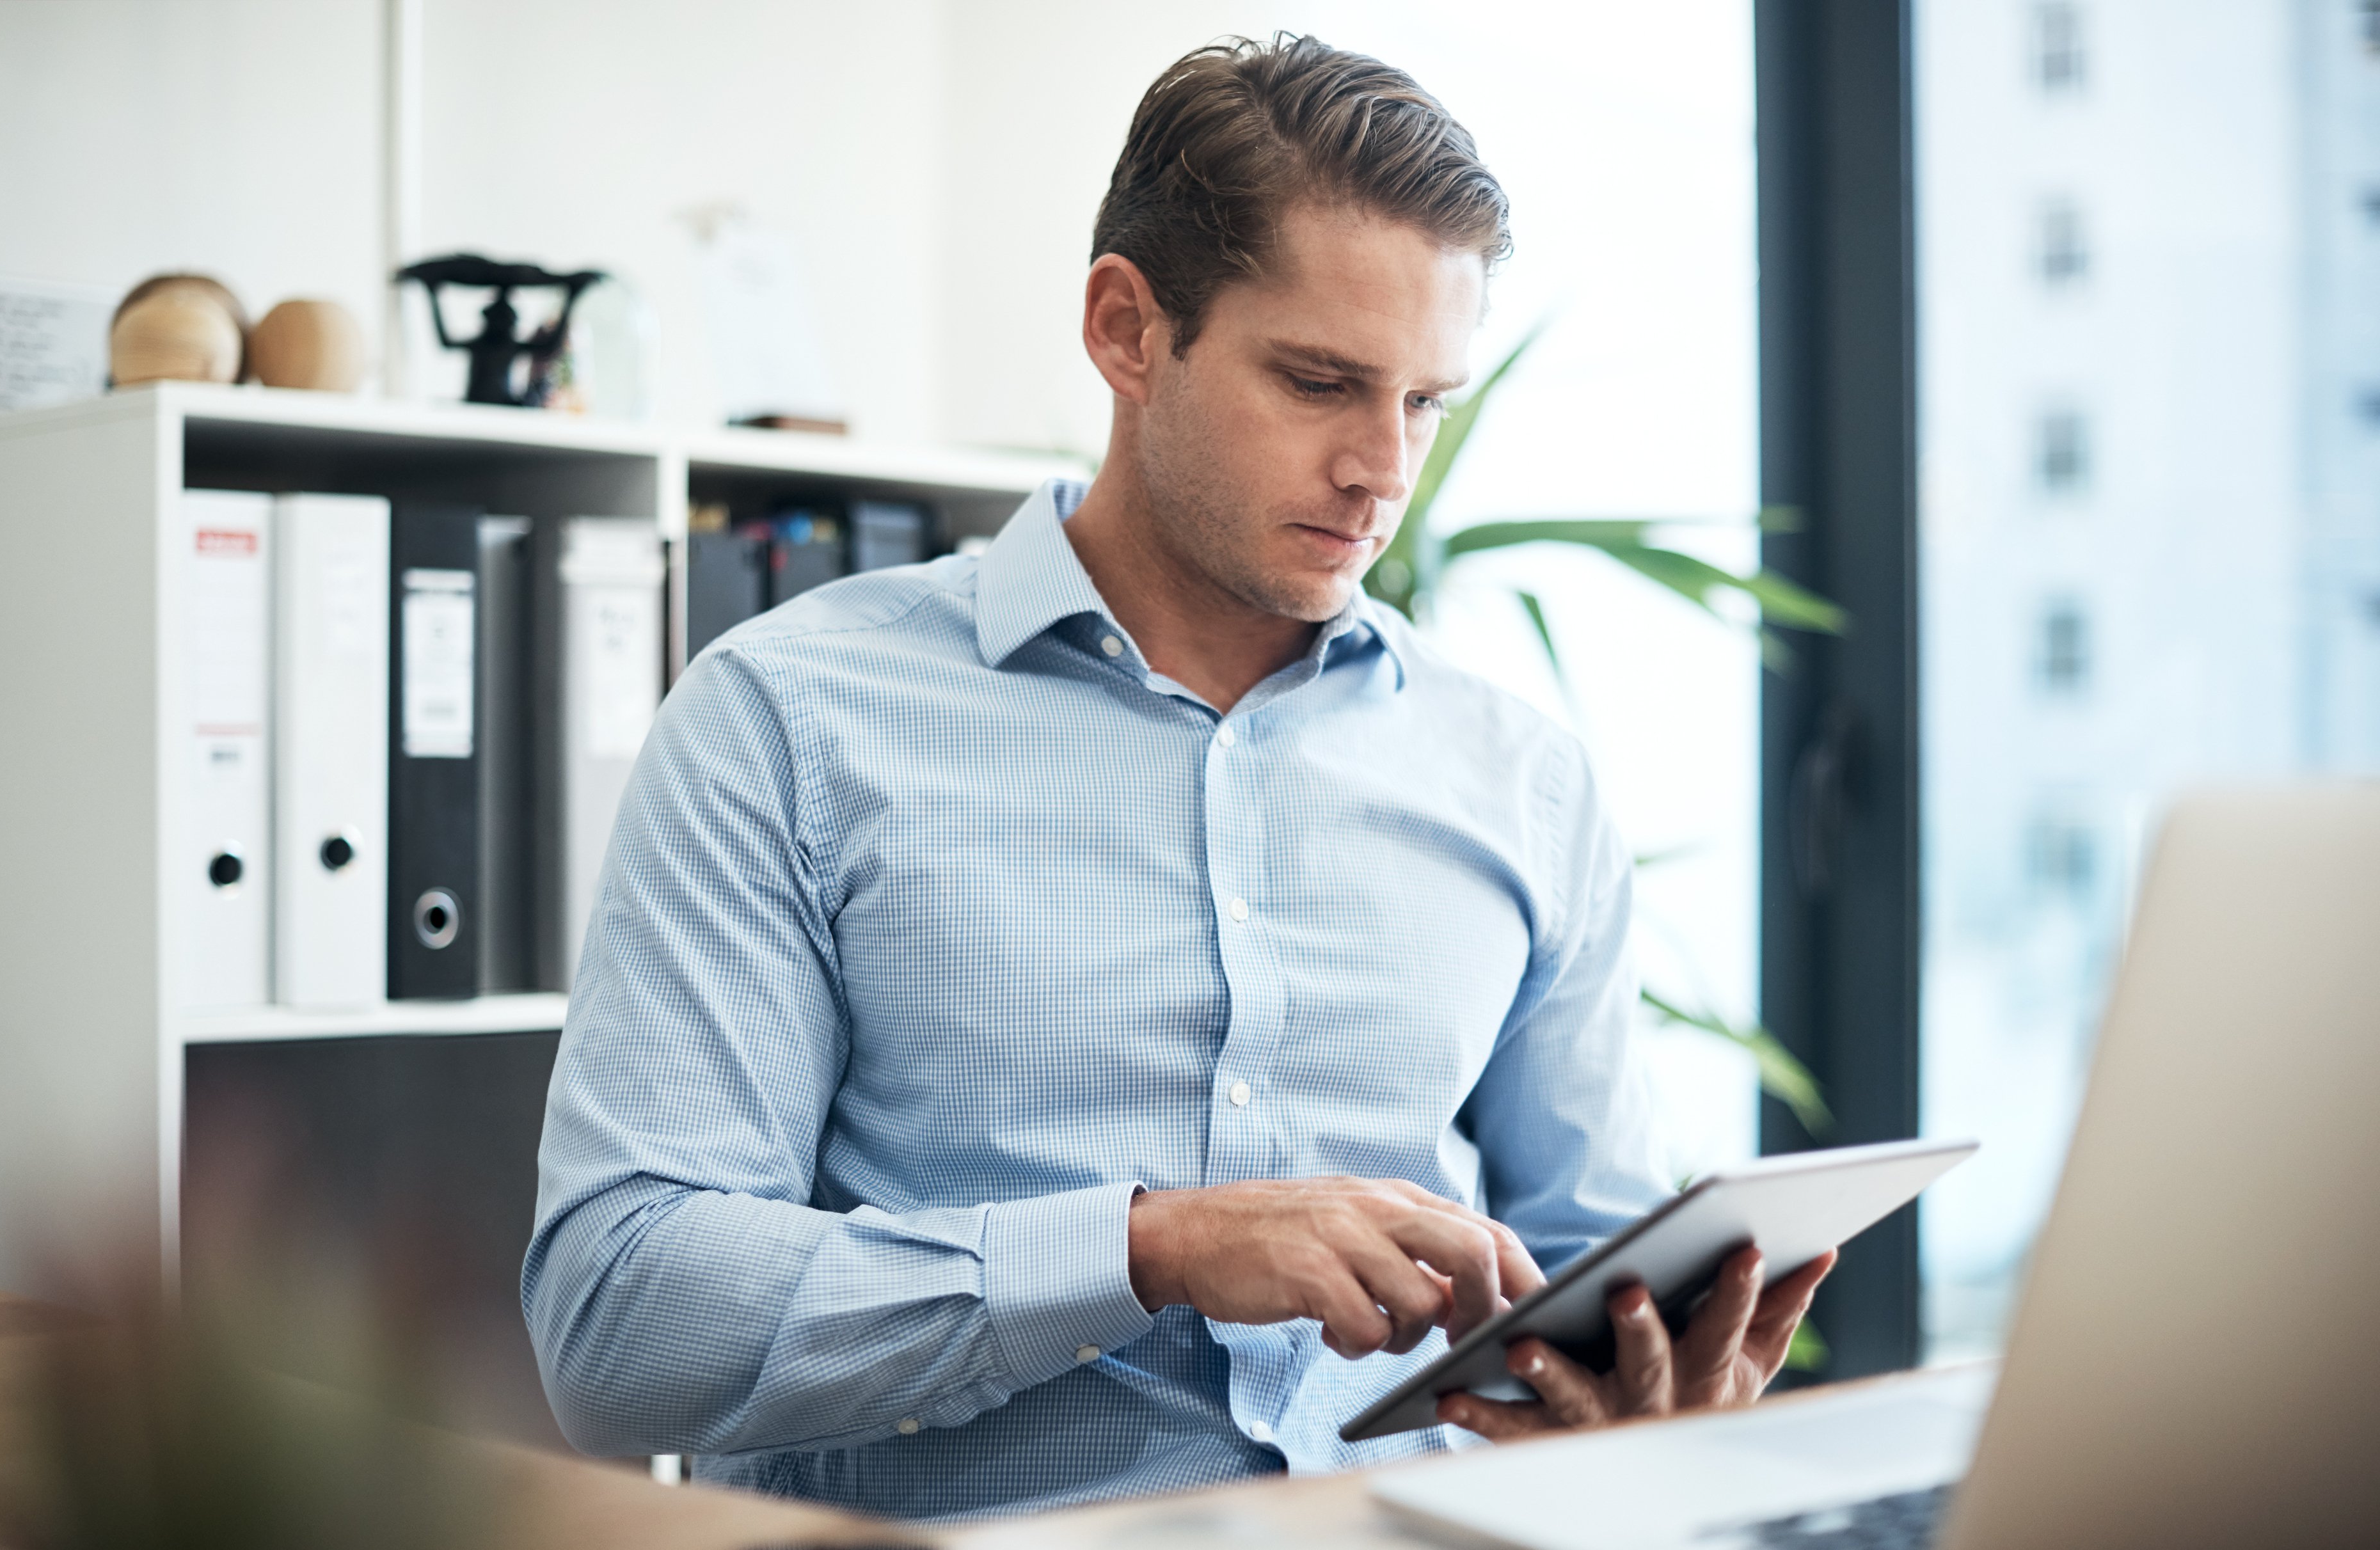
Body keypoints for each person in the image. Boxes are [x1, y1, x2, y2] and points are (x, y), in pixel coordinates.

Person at [522, 33, 1831, 1522]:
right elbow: (618, 1320)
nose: (1383, 471)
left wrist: (1658, 1397)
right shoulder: (788, 721)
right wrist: (1149, 1247)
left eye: (1424, 402)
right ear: (1128, 330)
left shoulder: (1518, 778)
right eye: (1322, 382)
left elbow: (1590, 1265)